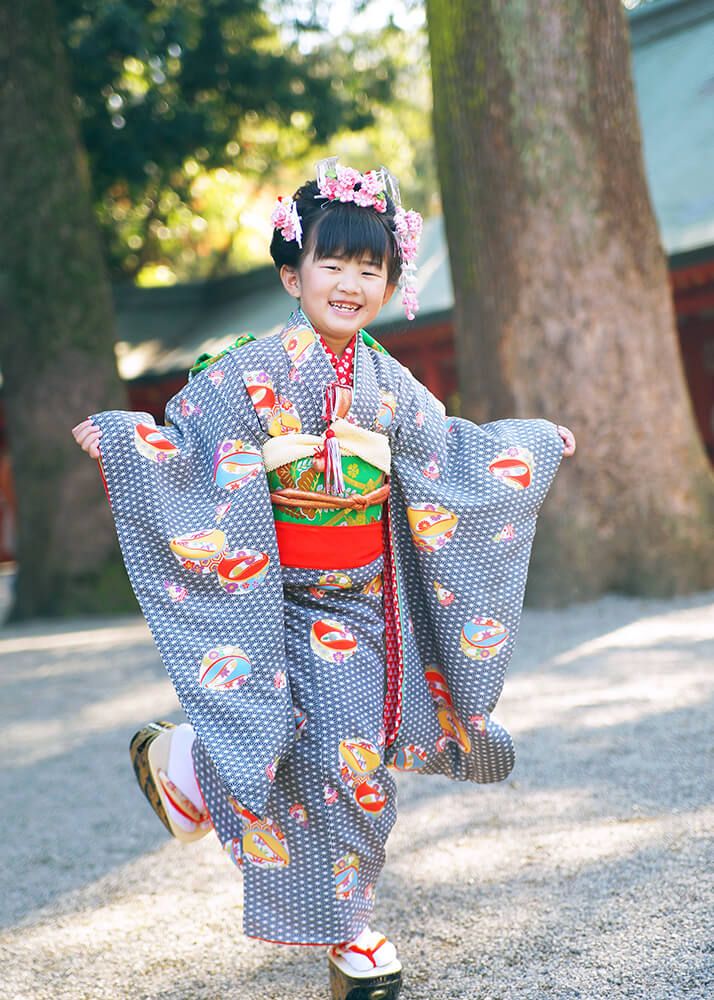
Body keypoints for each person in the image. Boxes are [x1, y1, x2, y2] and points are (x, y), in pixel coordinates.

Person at [72, 157, 575, 1000]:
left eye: (369, 268)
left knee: (345, 758)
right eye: (332, 264)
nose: (350, 282)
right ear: (292, 273)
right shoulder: (243, 371)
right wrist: (127, 443)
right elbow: (190, 457)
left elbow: (450, 456)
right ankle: (354, 939)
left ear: (389, 281)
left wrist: (528, 448)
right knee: (333, 765)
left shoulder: (390, 382)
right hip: (277, 604)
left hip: (368, 608)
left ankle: (188, 762)